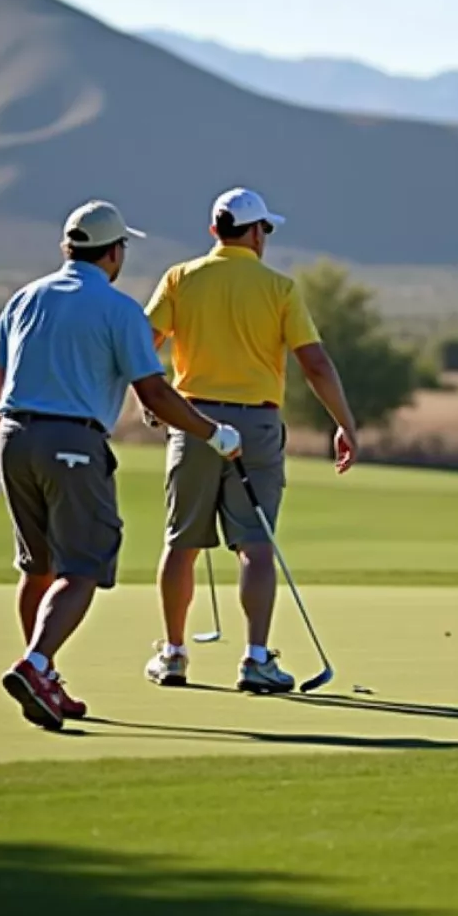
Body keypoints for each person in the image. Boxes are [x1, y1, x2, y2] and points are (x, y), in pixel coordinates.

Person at [0, 200, 243, 731]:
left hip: (12, 439)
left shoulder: (27, 296)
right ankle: (36, 664)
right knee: (82, 568)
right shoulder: (119, 311)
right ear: (114, 252)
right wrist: (213, 433)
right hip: (72, 442)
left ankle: (45, 679)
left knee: (38, 566)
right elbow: (156, 392)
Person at [142, 187, 359, 693]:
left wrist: (152, 401)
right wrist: (345, 423)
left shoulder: (180, 278)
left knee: (181, 543)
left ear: (215, 229)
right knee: (255, 547)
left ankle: (173, 655)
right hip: (257, 428)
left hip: (192, 421)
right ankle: (256, 660)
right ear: (257, 232)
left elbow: (140, 344)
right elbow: (316, 364)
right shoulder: (279, 288)